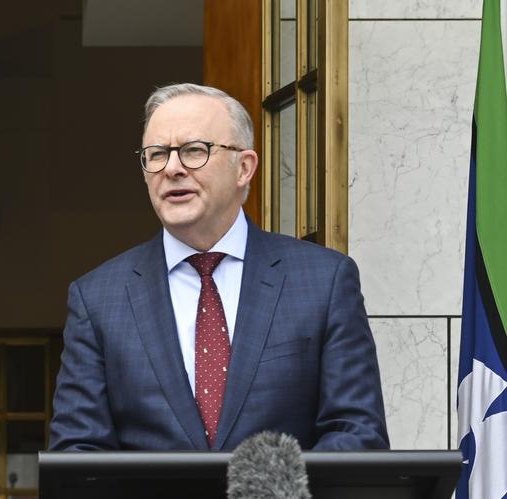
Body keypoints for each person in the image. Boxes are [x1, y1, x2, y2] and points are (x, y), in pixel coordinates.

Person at [50, 83, 388, 452]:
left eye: (195, 151)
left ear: (244, 167)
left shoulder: (324, 281)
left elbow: (357, 434)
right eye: (157, 154)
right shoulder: (98, 297)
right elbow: (78, 452)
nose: (173, 168)